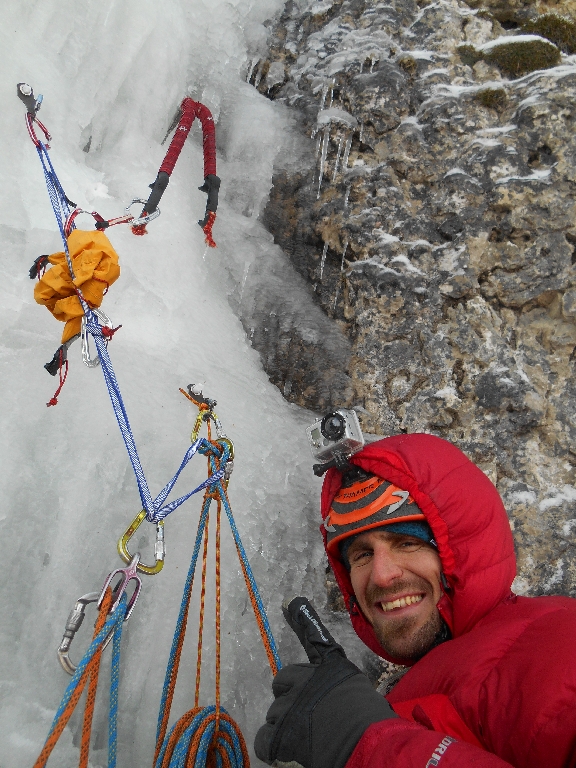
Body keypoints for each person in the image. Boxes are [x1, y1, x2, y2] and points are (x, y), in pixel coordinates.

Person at [255, 433, 576, 768]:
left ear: (461, 551)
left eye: (407, 542)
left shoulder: (560, 645)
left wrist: (365, 744)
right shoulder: (431, 681)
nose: (381, 575)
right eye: (362, 554)